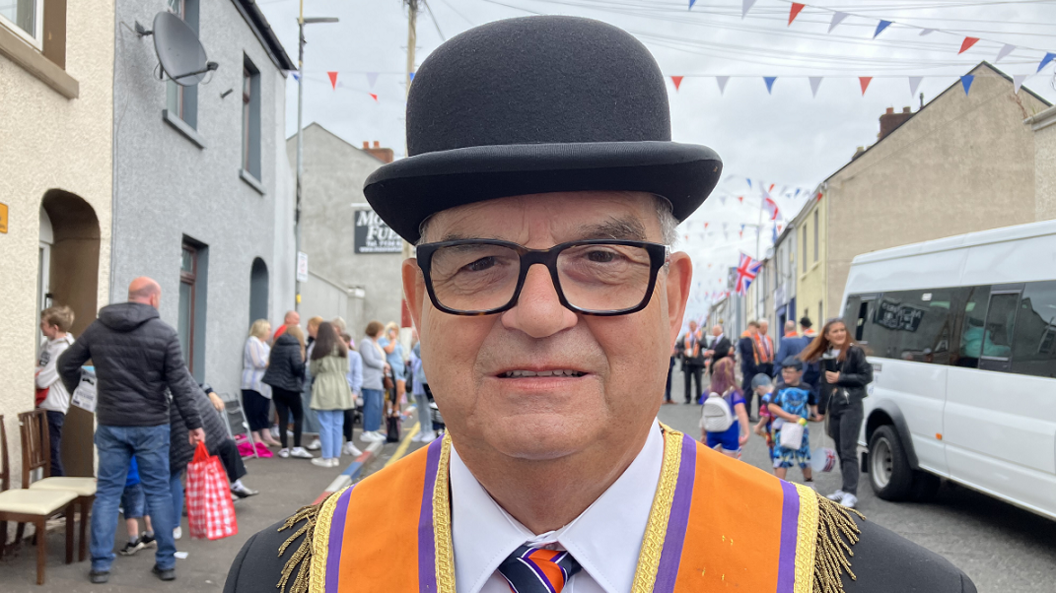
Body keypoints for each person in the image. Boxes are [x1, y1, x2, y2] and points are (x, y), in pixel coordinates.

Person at [225, 17, 975, 593]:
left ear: (674, 299)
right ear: (418, 304)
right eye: (481, 263)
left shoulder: (863, 579)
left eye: (602, 260)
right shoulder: (290, 574)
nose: (542, 314)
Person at [58, 277, 203, 584]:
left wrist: (86, 395)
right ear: (153, 299)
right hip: (152, 425)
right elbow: (180, 384)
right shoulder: (164, 333)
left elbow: (66, 363)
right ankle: (165, 563)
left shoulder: (98, 328)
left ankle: (100, 565)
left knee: (108, 493)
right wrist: (194, 424)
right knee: (158, 493)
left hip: (111, 422)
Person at [169, 381, 257, 540]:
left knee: (227, 444)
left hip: (200, 428)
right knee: (197, 460)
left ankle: (235, 484)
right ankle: (219, 493)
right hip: (187, 431)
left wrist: (211, 392)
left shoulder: (177, 374)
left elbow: (199, 383)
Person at [801, 318, 874, 509]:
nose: (840, 333)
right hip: (835, 406)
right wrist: (821, 408)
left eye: (842, 330)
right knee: (841, 449)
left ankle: (851, 493)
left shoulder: (854, 352)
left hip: (851, 405)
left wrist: (842, 377)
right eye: (835, 331)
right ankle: (844, 488)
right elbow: (825, 384)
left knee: (849, 450)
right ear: (827, 336)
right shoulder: (827, 355)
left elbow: (867, 376)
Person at [768, 357, 821, 489]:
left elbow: (813, 404)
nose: (786, 375)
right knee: (781, 456)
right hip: (783, 428)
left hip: (801, 429)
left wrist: (818, 415)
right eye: (784, 372)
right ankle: (779, 486)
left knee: (804, 455)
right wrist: (789, 416)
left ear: (799, 373)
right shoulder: (780, 388)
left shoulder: (806, 388)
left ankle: (809, 482)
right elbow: (772, 406)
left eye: (790, 372)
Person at [36, 305, 75, 477]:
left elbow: (42, 379)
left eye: (44, 324)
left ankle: (61, 496)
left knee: (52, 456)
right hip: (41, 405)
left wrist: (37, 373)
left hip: (53, 407)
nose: (40, 326)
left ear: (55, 327)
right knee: (43, 455)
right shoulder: (47, 344)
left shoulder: (63, 349)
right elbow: (37, 368)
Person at [262, 325, 313, 459]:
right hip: (291, 387)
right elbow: (297, 368)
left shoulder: (276, 345)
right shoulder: (295, 346)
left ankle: (284, 448)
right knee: (298, 416)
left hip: (276, 387)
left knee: (282, 417)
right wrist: (305, 362)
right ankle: (296, 447)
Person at [309, 322, 353, 468]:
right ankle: (335, 457)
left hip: (325, 385)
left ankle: (326, 457)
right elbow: (346, 368)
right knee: (337, 424)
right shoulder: (342, 347)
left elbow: (313, 370)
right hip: (341, 385)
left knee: (325, 423)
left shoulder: (319, 348)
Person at [699, 356, 749, 458]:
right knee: (729, 464)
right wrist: (747, 433)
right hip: (730, 430)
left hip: (712, 430)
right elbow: (741, 413)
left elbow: (704, 415)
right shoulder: (733, 392)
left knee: (716, 463)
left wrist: (703, 434)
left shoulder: (708, 391)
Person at [241, 319, 279, 448]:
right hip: (253, 383)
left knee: (264, 410)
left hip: (264, 384)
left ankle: (266, 435)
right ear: (261, 330)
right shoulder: (253, 341)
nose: (270, 332)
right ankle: (255, 436)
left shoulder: (265, 345)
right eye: (268, 329)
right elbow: (259, 363)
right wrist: (274, 361)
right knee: (254, 410)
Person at [118, 456, 156, 556]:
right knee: (145, 509)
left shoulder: (122, 450)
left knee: (131, 513)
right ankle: (150, 534)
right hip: (143, 479)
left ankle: (133, 541)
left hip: (130, 482)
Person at [358, 321, 390, 442]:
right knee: (371, 406)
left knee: (378, 406)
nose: (382, 333)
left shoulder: (374, 342)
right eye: (380, 330)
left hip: (377, 379)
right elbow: (369, 360)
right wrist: (383, 364)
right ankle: (367, 431)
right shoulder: (366, 342)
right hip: (369, 380)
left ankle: (374, 429)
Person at [301, 317, 325, 450]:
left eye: (309, 326)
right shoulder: (315, 342)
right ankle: (317, 436)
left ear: (315, 327)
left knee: (312, 407)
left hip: (312, 376)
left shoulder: (318, 343)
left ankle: (317, 437)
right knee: (310, 407)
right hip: (310, 375)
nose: (307, 329)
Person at [409, 333, 436, 442]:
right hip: (417, 381)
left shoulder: (427, 347)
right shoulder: (418, 350)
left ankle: (429, 431)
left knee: (426, 408)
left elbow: (417, 349)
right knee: (420, 408)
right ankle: (423, 430)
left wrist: (422, 335)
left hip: (424, 381)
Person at [342, 333, 364, 456]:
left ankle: (349, 443)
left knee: (349, 417)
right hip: (338, 390)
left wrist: (355, 392)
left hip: (349, 390)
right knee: (338, 419)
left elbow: (358, 375)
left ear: (347, 342)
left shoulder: (354, 356)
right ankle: (341, 444)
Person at [378, 321, 407, 405]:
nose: (395, 332)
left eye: (396, 330)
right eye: (393, 330)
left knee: (401, 391)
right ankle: (390, 413)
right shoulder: (384, 340)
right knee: (391, 393)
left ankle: (395, 411)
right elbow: (389, 350)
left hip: (400, 369)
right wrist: (393, 339)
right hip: (391, 370)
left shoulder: (396, 341)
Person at [737, 320, 762, 416]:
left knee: (746, 390)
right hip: (749, 369)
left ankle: (744, 412)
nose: (756, 331)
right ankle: (746, 413)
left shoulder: (746, 338)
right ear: (751, 326)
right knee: (748, 391)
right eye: (756, 328)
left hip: (747, 368)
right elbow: (748, 356)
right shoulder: (747, 339)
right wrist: (755, 368)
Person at [681, 320, 705, 404]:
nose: (691, 327)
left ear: (696, 326)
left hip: (697, 362)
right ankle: (688, 398)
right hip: (688, 361)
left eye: (692, 326)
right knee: (687, 381)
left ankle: (698, 398)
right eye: (690, 326)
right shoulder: (686, 336)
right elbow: (680, 347)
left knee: (698, 381)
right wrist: (683, 351)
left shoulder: (700, 335)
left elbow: (705, 344)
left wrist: (698, 339)